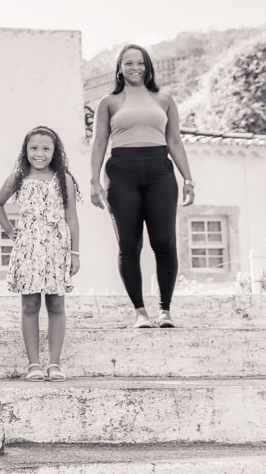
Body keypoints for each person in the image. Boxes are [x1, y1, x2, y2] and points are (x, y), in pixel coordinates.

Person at [90, 44, 194, 329]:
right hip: (121, 172)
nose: (135, 68)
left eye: (140, 63)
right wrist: (94, 181)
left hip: (160, 171)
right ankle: (140, 312)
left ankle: (165, 311)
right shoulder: (109, 102)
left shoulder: (164, 100)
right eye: (128, 63)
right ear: (119, 68)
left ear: (148, 67)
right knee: (129, 244)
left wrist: (188, 178)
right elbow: (99, 143)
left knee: (164, 242)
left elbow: (175, 141)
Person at [0, 126, 80, 382]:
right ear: (25, 150)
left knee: (56, 304)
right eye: (33, 148)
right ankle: (34, 364)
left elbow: (72, 218)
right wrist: (10, 231)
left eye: (45, 149)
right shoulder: (18, 176)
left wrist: (75, 252)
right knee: (30, 305)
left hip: (56, 247)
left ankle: (54, 363)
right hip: (29, 248)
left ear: (55, 152)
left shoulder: (63, 179)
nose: (39, 154)